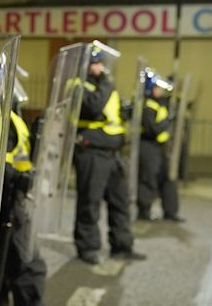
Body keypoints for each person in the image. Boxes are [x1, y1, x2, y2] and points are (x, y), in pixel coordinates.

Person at [73, 47, 146, 264]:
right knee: (90, 202)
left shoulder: (103, 85)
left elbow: (111, 112)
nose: (99, 67)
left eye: (100, 63)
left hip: (113, 154)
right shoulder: (77, 85)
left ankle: (122, 245)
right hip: (92, 152)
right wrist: (107, 84)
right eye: (94, 63)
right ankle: (88, 248)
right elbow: (93, 107)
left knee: (120, 201)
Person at [0, 80, 47, 306]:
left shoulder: (9, 116)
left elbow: (17, 155)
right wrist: (19, 178)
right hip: (8, 200)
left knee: (6, 265)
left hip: (14, 198)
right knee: (27, 264)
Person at [137, 71, 185, 222]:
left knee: (168, 179)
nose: (160, 90)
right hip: (148, 145)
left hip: (160, 147)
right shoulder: (148, 106)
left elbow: (173, 96)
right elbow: (153, 129)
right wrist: (168, 121)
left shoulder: (160, 103)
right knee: (148, 178)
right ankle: (144, 210)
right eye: (157, 88)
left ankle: (171, 212)